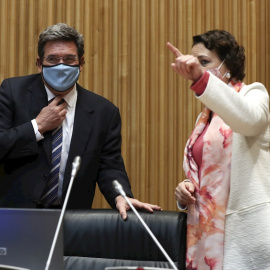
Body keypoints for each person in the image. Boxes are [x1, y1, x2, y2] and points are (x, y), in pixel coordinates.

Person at [0, 23, 161, 220]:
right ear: (39, 63)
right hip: (15, 217)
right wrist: (37, 126)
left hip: (71, 219)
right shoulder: (12, 91)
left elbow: (109, 167)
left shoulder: (104, 112)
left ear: (81, 63)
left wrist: (121, 196)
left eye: (69, 59)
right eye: (52, 59)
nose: (61, 65)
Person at [167, 30, 270, 270]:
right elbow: (208, 174)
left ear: (228, 65)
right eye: (195, 62)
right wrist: (186, 189)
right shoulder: (205, 118)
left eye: (205, 62)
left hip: (245, 232)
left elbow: (248, 120)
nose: (198, 67)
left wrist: (202, 79)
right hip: (205, 230)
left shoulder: (254, 94)